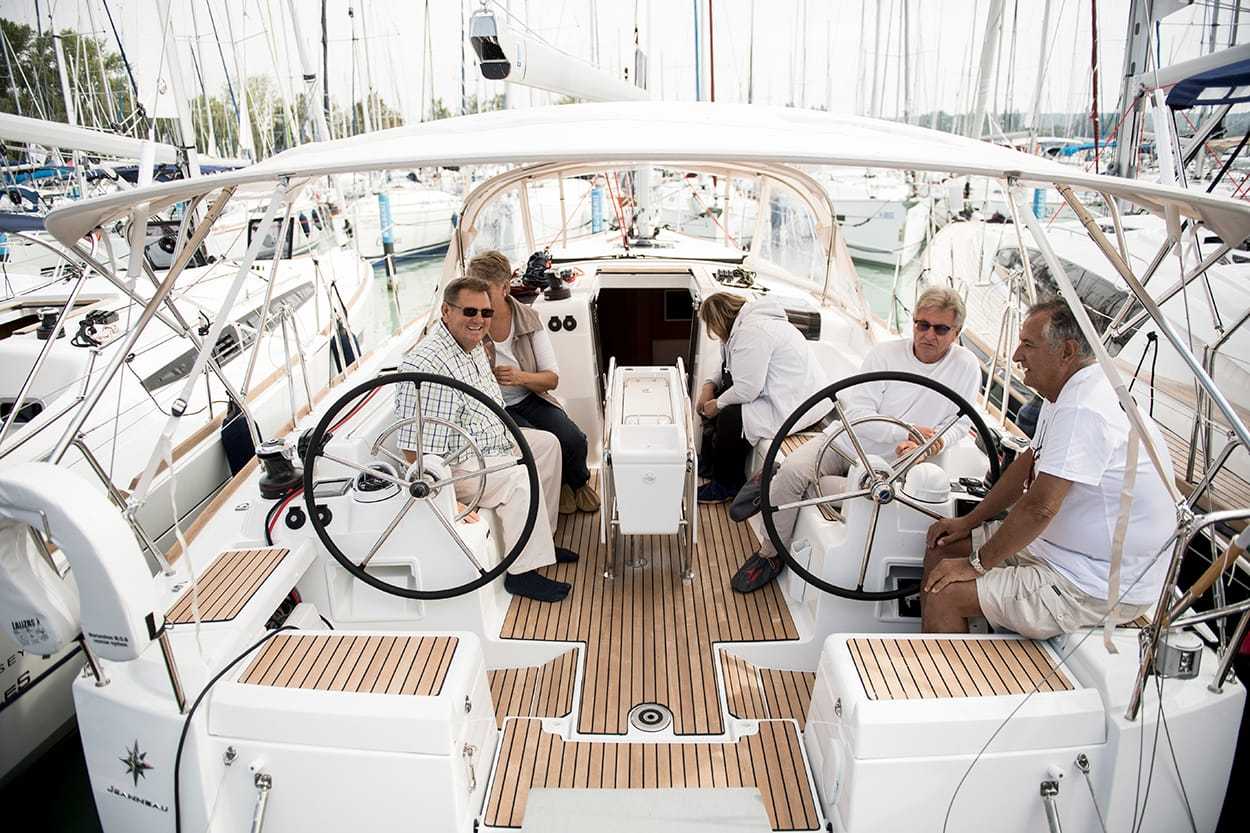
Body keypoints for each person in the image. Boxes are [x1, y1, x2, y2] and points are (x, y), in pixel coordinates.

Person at [921, 299, 1174, 638]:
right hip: (1057, 552)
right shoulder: (1065, 394)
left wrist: (975, 564)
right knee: (942, 547)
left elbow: (1040, 507)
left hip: (1093, 581)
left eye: (1028, 345)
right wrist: (970, 521)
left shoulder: (1084, 408)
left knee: (945, 594)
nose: (1016, 356)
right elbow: (1027, 463)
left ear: (1067, 351)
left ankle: (944, 671)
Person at [729, 286, 981, 593]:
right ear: (913, 322)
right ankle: (770, 554)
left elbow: (960, 422)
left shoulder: (966, 366)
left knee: (827, 491)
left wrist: (931, 445)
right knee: (795, 473)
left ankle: (772, 481)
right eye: (922, 325)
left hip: (894, 464)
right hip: (846, 441)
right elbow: (859, 415)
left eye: (941, 329)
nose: (929, 335)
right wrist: (908, 431)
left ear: (956, 332)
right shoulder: (884, 354)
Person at [394, 276, 578, 603]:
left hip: (490, 442)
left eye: (485, 312)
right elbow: (414, 448)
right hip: (457, 465)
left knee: (548, 446)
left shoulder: (472, 344)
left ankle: (542, 542)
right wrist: (446, 497)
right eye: (469, 311)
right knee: (519, 477)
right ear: (446, 311)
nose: (479, 320)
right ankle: (522, 574)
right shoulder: (427, 365)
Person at [468, 250, 600, 516]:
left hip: (529, 397)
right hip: (493, 408)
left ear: (505, 288)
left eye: (485, 291)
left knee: (573, 439)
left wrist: (519, 377)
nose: (478, 300)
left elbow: (551, 379)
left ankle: (577, 482)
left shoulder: (528, 319)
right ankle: (560, 485)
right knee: (541, 444)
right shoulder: (469, 322)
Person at [696, 292, 829, 504]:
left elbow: (747, 390)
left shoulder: (752, 332)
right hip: (790, 393)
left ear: (719, 321)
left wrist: (718, 404)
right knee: (720, 398)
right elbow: (727, 365)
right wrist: (708, 386)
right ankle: (710, 464)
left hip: (797, 404)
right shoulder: (742, 328)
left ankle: (727, 485)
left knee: (730, 417)